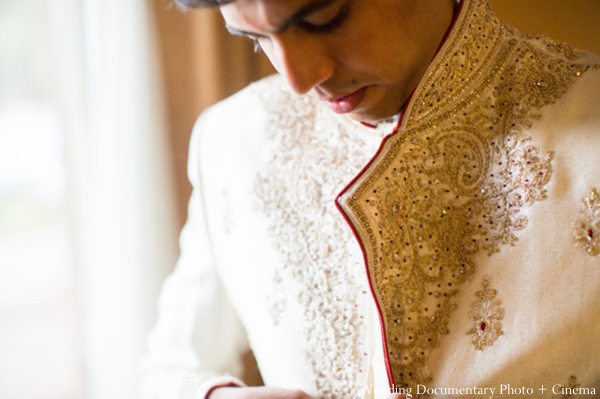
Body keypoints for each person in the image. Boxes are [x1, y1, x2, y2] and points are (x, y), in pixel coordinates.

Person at [142, 0, 600, 398]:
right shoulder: (231, 140)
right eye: (255, 38)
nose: (299, 79)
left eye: (326, 18)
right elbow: (169, 366)